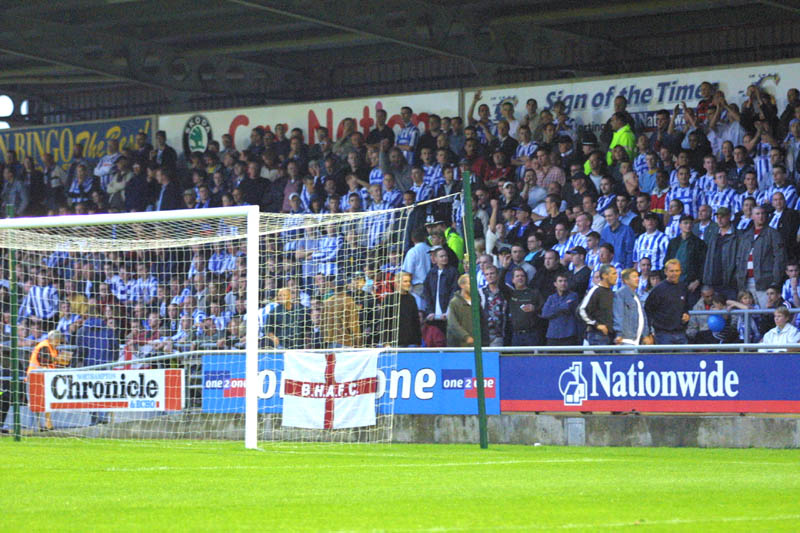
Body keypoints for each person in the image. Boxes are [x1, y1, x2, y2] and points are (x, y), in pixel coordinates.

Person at [735, 205, 786, 309]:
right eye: (757, 214)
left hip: (765, 282)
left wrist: (775, 281)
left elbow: (780, 258)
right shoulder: (746, 236)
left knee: (766, 312)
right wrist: (739, 277)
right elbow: (739, 258)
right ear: (752, 216)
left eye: (763, 213)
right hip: (746, 282)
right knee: (749, 315)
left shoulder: (773, 234)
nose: (761, 216)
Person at [26, 330, 69, 431]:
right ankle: (35, 426)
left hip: (44, 378)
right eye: (57, 341)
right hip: (34, 377)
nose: (58, 344)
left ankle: (47, 424)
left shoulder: (53, 349)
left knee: (46, 401)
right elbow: (43, 360)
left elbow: (53, 364)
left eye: (59, 342)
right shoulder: (44, 346)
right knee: (35, 402)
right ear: (51, 339)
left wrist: (64, 363)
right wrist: (58, 360)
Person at [644, 259, 690, 344]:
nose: (674, 273)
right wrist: (648, 332)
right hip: (663, 334)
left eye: (677, 271)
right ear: (665, 272)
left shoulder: (683, 287)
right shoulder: (658, 290)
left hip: (681, 333)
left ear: (680, 272)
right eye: (671, 271)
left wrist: (686, 315)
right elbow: (648, 310)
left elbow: (686, 307)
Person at [578, 264, 616, 345]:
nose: (616, 276)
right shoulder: (595, 291)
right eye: (613, 274)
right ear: (604, 275)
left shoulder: (612, 293)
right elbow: (581, 310)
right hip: (597, 335)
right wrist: (597, 325)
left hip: (610, 336)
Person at [613, 268, 652, 346]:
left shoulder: (636, 295)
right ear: (625, 280)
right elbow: (618, 314)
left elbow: (642, 316)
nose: (637, 279)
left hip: (637, 340)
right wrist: (619, 334)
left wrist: (645, 334)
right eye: (634, 277)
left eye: (637, 276)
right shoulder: (621, 294)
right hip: (626, 340)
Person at [507, 267, 544, 346]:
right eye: (517, 276)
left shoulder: (534, 293)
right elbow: (500, 284)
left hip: (532, 334)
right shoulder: (510, 293)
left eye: (522, 276)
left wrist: (535, 308)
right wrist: (504, 268)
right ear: (513, 280)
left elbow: (544, 309)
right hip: (516, 335)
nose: (520, 278)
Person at [541, 273, 580, 346]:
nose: (563, 283)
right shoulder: (551, 298)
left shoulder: (573, 296)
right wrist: (561, 306)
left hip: (568, 335)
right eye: (560, 281)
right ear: (555, 284)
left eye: (565, 281)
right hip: (552, 336)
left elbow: (567, 307)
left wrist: (553, 307)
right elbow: (545, 313)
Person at [447, 274, 484, 347]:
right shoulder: (454, 303)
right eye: (470, 284)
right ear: (462, 285)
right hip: (459, 346)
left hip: (475, 345)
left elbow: (482, 322)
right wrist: (466, 337)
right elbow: (452, 324)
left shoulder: (476, 302)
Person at [397, 272, 422, 347]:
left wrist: (418, 341)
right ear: (398, 283)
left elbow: (416, 321)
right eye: (405, 281)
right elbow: (386, 322)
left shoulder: (412, 299)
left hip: (411, 342)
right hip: (396, 343)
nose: (408, 283)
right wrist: (386, 343)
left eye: (409, 281)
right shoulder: (390, 300)